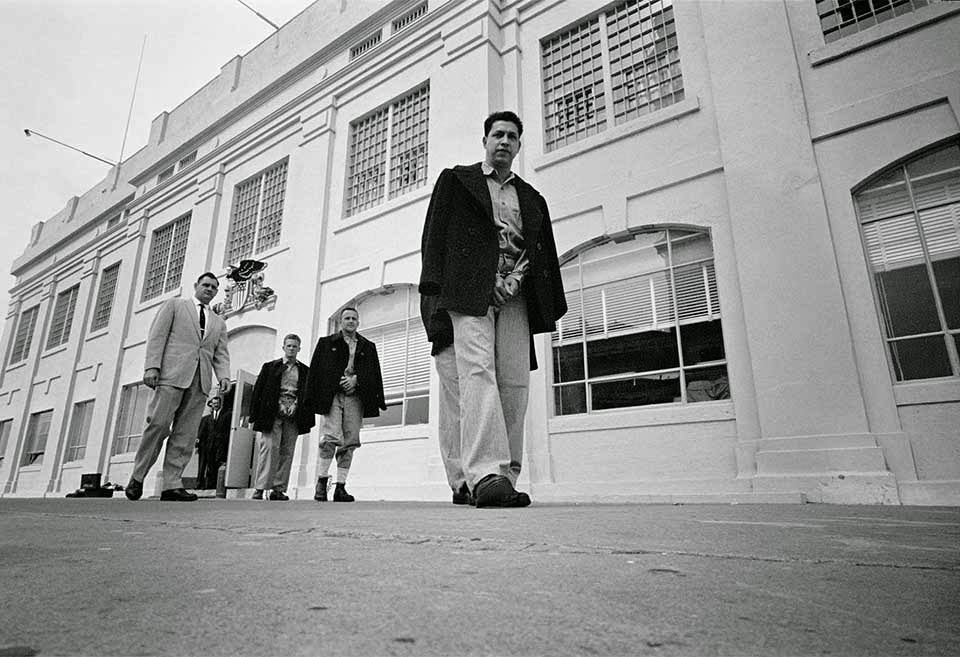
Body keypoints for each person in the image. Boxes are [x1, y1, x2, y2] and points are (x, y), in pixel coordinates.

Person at [419, 110, 566, 508]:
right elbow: (435, 238)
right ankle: (483, 474)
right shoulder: (456, 180)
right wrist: (435, 294)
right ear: (485, 141)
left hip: (516, 295)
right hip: (469, 292)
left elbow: (540, 251)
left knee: (515, 382)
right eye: (497, 134)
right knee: (477, 374)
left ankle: (506, 475)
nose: (504, 141)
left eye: (512, 137)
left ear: (519, 146)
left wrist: (518, 282)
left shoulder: (532, 198)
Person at [125, 272, 232, 502]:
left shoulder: (218, 322)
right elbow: (157, 337)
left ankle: (172, 484)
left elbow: (220, 353)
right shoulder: (174, 306)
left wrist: (224, 376)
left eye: (214, 287)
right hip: (171, 376)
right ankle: (138, 476)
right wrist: (152, 367)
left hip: (200, 381)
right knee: (158, 425)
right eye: (206, 285)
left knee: (185, 435)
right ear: (196, 286)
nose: (210, 289)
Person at [305, 307, 385, 502]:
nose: (350, 321)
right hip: (332, 396)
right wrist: (311, 397)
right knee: (330, 436)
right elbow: (315, 371)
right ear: (341, 322)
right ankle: (322, 483)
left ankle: (340, 486)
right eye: (347, 318)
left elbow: (374, 374)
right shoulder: (326, 343)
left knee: (350, 440)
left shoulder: (368, 346)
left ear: (358, 322)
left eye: (354, 318)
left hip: (356, 397)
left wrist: (356, 380)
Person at [249, 334, 315, 501]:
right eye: (289, 345)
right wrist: (275, 404)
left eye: (295, 346)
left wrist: (296, 405)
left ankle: (278, 489)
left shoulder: (305, 371)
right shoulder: (270, 367)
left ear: (299, 349)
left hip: (293, 414)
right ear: (283, 347)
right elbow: (260, 390)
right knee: (269, 449)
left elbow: (307, 392)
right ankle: (260, 487)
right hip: (272, 412)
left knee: (287, 451)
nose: (292, 348)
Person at [195, 397, 228, 489]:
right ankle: (199, 484)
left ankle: (211, 485)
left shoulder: (224, 416)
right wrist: (198, 442)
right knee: (201, 466)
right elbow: (201, 432)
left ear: (220, 404)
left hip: (216, 445)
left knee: (212, 465)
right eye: (213, 403)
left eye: (217, 403)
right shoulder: (206, 418)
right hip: (205, 445)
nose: (215, 405)